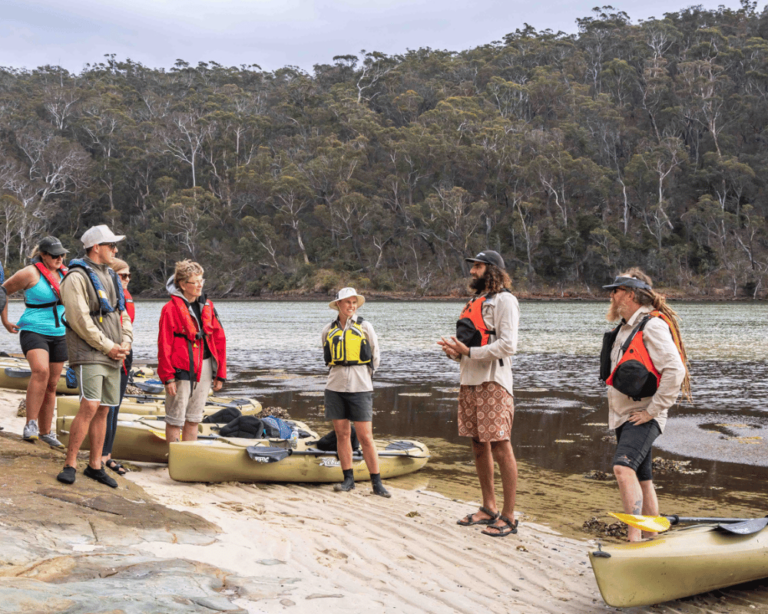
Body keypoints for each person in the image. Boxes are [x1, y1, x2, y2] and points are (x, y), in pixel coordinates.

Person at [600, 269, 689, 542]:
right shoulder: (625, 328)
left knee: (622, 468)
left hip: (642, 416)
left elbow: (676, 370)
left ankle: (634, 538)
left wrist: (652, 411)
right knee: (643, 478)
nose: (611, 296)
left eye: (615, 290)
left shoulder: (652, 325)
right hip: (625, 415)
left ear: (630, 294)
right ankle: (653, 537)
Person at [438, 250, 520, 537]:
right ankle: (488, 507)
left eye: (478, 266)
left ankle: (509, 517)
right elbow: (469, 349)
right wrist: (456, 354)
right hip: (470, 381)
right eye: (473, 267)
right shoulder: (474, 301)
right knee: (477, 443)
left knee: (499, 443)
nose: (472, 271)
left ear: (493, 270)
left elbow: (508, 345)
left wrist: (469, 351)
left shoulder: (505, 301)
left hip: (494, 382)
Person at [56, 225, 132, 487]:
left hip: (113, 351)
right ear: (96, 247)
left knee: (105, 408)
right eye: (111, 245)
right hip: (89, 351)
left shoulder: (111, 275)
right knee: (89, 405)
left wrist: (125, 342)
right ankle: (70, 463)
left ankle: (95, 465)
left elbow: (122, 313)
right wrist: (107, 346)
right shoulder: (75, 277)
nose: (115, 249)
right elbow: (79, 321)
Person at [1, 237, 70, 447]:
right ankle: (30, 424)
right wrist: (5, 321)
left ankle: (45, 432)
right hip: (33, 329)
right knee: (41, 371)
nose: (60, 258)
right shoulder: (29, 273)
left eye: (62, 255)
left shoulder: (67, 274)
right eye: (55, 255)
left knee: (51, 384)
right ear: (43, 255)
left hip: (60, 333)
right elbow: (2, 291)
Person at [322, 287, 389, 497]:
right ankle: (348, 479)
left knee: (365, 436)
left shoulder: (365, 327)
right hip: (335, 387)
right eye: (347, 302)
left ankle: (376, 483)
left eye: (354, 302)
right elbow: (327, 356)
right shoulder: (328, 330)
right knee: (342, 434)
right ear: (339, 305)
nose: (351, 306)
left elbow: (375, 357)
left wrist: (364, 378)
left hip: (360, 387)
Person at [158, 260, 226, 443]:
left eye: (201, 281)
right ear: (182, 284)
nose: (199, 285)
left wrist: (220, 374)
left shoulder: (208, 306)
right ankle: (173, 458)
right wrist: (168, 377)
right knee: (175, 419)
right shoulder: (169, 309)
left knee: (194, 418)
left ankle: (188, 457)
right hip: (181, 369)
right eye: (194, 282)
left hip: (203, 367)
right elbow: (164, 345)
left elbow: (219, 341)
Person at [101, 258, 135, 475]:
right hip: (108, 353)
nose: (127, 280)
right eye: (123, 275)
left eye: (129, 275)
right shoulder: (105, 295)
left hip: (125, 354)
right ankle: (101, 455)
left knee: (115, 408)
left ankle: (107, 455)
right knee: (106, 408)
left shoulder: (126, 298)